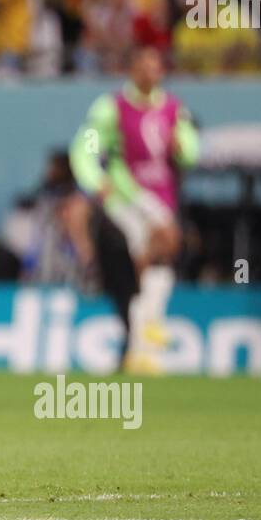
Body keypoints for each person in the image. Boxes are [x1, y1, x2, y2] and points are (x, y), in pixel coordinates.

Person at [69, 45, 199, 373]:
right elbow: (84, 146)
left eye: (155, 66)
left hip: (162, 196)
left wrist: (184, 149)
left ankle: (142, 341)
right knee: (166, 241)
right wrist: (96, 180)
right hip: (126, 194)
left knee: (148, 258)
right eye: (143, 65)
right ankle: (146, 328)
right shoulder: (111, 106)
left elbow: (192, 150)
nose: (149, 72)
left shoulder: (173, 108)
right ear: (131, 69)